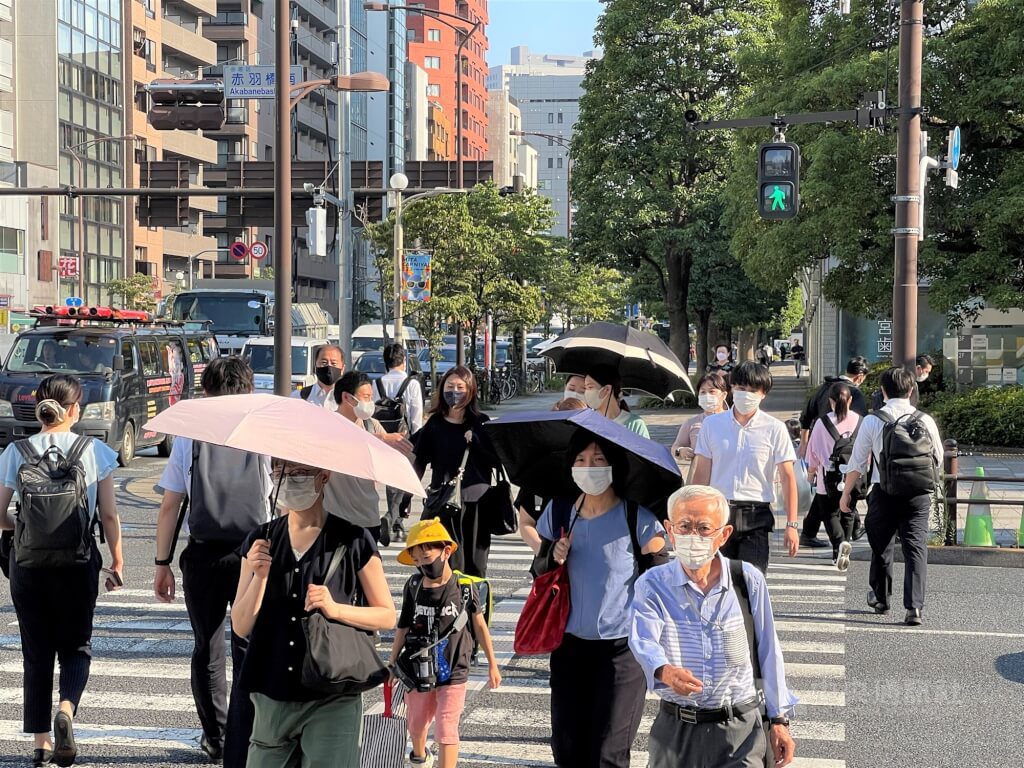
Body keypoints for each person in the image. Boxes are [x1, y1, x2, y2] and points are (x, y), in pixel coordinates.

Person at [231, 458, 396, 766]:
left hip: (332, 691)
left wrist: (336, 609)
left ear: (324, 476)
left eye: (301, 472)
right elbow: (241, 626)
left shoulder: (353, 539)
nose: (290, 479)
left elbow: (386, 615)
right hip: (272, 689)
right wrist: (260, 577)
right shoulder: (259, 541)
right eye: (281, 472)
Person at [153, 356, 273, 765]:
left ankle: (216, 736)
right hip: (253, 554)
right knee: (248, 643)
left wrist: (162, 562)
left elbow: (170, 505)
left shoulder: (192, 435)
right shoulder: (263, 433)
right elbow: (279, 499)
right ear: (248, 389)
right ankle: (247, 733)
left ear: (206, 391)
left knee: (207, 646)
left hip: (203, 554)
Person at [0, 375, 124, 767]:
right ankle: (66, 709)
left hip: (28, 565)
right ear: (74, 409)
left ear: (39, 405)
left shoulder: (16, 451)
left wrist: (22, 529)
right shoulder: (95, 450)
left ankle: (41, 744)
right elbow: (108, 515)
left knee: (36, 653)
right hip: (78, 563)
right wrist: (118, 559)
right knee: (76, 647)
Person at [629, 485, 797, 768]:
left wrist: (779, 719)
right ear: (670, 530)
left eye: (704, 528)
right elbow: (643, 640)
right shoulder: (652, 584)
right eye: (684, 526)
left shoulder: (747, 579)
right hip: (676, 728)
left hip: (739, 730)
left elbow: (769, 651)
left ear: (724, 534)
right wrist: (665, 671)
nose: (693, 536)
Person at [535, 432, 667, 768]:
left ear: (613, 466)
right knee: (567, 748)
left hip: (621, 652)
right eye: (580, 460)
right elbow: (539, 570)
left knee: (608, 752)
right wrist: (553, 556)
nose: (588, 467)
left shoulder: (638, 518)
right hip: (568, 647)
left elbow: (661, 582)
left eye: (598, 459)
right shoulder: (559, 512)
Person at [390, 519, 502, 768]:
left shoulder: (464, 588)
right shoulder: (414, 586)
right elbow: (403, 625)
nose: (422, 565)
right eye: (416, 561)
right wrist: (392, 662)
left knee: (446, 727)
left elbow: (480, 626)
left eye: (426, 558)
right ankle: (420, 757)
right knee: (416, 724)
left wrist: (493, 664)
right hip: (418, 667)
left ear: (446, 551)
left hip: (454, 667)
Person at [840, 367, 942, 626]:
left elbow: (857, 463)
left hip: (883, 491)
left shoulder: (873, 420)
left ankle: (881, 598)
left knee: (881, 545)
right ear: (911, 390)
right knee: (915, 548)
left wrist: (846, 493)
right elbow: (938, 458)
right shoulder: (925, 420)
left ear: (883, 391)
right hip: (918, 494)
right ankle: (914, 608)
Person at [691, 362, 800, 574]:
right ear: (732, 388)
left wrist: (792, 524)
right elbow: (702, 473)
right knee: (716, 580)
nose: (746, 395)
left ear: (763, 394)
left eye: (752, 390)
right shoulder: (712, 425)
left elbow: (788, 477)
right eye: (741, 388)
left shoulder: (775, 428)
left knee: (751, 581)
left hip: (756, 515)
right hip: (718, 513)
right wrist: (693, 514)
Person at [412, 366, 501, 577]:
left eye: (460, 387)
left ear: (471, 390)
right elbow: (420, 460)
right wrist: (407, 494)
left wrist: (476, 442)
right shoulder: (435, 423)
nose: (454, 391)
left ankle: (475, 599)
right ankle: (448, 597)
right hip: (444, 503)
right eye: (450, 386)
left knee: (476, 563)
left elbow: (497, 460)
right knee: (447, 562)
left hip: (476, 503)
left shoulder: (481, 422)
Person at [328, 371, 413, 545]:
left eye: (371, 397)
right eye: (366, 397)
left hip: (368, 516)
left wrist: (397, 451)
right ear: (347, 397)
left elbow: (387, 465)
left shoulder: (371, 425)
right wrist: (380, 439)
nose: (370, 403)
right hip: (334, 517)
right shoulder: (328, 423)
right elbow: (342, 442)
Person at [798, 356, 870, 547]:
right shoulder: (856, 398)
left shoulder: (824, 388)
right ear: (860, 377)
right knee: (844, 505)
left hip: (825, 463)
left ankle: (821, 537)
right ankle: (843, 541)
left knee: (826, 501)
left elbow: (807, 415)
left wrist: (804, 446)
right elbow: (864, 435)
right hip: (850, 463)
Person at [517, 397, 588, 557]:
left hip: (588, 559)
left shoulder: (593, 469)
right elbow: (526, 522)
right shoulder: (541, 469)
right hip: (550, 564)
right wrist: (545, 551)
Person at [804, 382, 861, 571]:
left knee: (829, 514)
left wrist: (810, 474)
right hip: (854, 476)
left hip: (827, 477)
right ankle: (843, 549)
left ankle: (839, 544)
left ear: (830, 401)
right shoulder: (860, 421)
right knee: (848, 512)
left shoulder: (822, 423)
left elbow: (813, 454)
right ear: (850, 400)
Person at [379, 343, 424, 542]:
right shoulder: (411, 384)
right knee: (407, 478)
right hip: (406, 438)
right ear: (403, 361)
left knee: (391, 479)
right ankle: (393, 518)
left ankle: (394, 519)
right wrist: (417, 438)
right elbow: (416, 414)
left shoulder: (378, 383)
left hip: (384, 438)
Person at [671, 371, 728, 482]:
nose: (707, 396)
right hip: (699, 481)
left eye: (712, 391)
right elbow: (675, 447)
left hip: (726, 480)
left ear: (724, 395)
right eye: (703, 392)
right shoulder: (692, 423)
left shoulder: (732, 420)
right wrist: (680, 451)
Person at [582, 364, 650, 437]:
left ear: (607, 389)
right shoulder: (585, 422)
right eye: (585, 388)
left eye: (590, 387)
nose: (586, 392)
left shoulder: (635, 424)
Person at [870, 354, 934, 411]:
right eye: (926, 371)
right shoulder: (910, 384)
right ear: (918, 368)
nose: (927, 374)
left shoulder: (894, 378)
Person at [291, 344, 345, 409]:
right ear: (315, 366)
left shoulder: (349, 400)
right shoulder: (298, 397)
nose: (329, 366)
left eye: (333, 363)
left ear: (342, 369)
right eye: (324, 362)